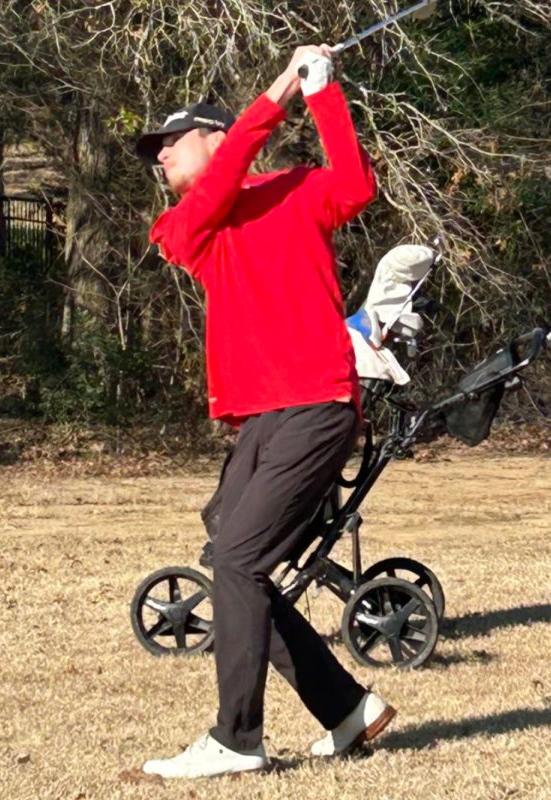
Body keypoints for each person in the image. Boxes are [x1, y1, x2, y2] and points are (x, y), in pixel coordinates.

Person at [133, 45, 397, 780]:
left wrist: (322, 93)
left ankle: (237, 738)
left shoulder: (294, 189)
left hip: (316, 405)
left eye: (169, 143)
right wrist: (278, 90)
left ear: (216, 138)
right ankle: (347, 708)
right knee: (229, 558)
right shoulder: (184, 226)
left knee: (241, 562)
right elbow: (221, 183)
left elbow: (354, 185)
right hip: (264, 420)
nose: (158, 159)